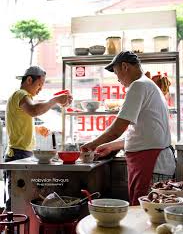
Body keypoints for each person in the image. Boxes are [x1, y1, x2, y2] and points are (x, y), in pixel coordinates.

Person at [80, 51, 176, 206]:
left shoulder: (138, 85)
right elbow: (143, 132)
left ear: (125, 66)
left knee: (144, 215)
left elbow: (117, 129)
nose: (117, 79)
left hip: (151, 163)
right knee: (148, 214)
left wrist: (91, 145)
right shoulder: (147, 85)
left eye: (116, 72)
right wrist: (110, 146)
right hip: (153, 161)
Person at [4, 65, 73, 211]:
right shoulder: (21, 94)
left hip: (21, 153)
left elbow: (21, 119)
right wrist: (54, 100)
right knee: (15, 203)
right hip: (18, 154)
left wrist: (36, 128)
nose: (40, 89)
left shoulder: (19, 97)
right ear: (29, 80)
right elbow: (34, 111)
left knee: (16, 201)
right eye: (40, 84)